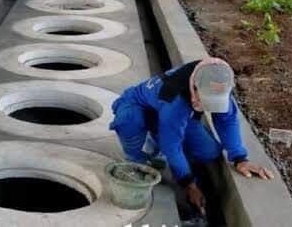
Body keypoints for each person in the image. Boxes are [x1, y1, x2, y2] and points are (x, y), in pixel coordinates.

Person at [109, 58, 273, 214]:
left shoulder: (218, 79)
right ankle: (137, 159)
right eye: (205, 100)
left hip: (178, 116)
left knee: (210, 152)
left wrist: (240, 158)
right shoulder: (175, 96)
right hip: (139, 107)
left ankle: (163, 143)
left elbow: (227, 120)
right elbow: (171, 146)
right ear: (194, 88)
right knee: (129, 120)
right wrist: (189, 184)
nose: (208, 106)